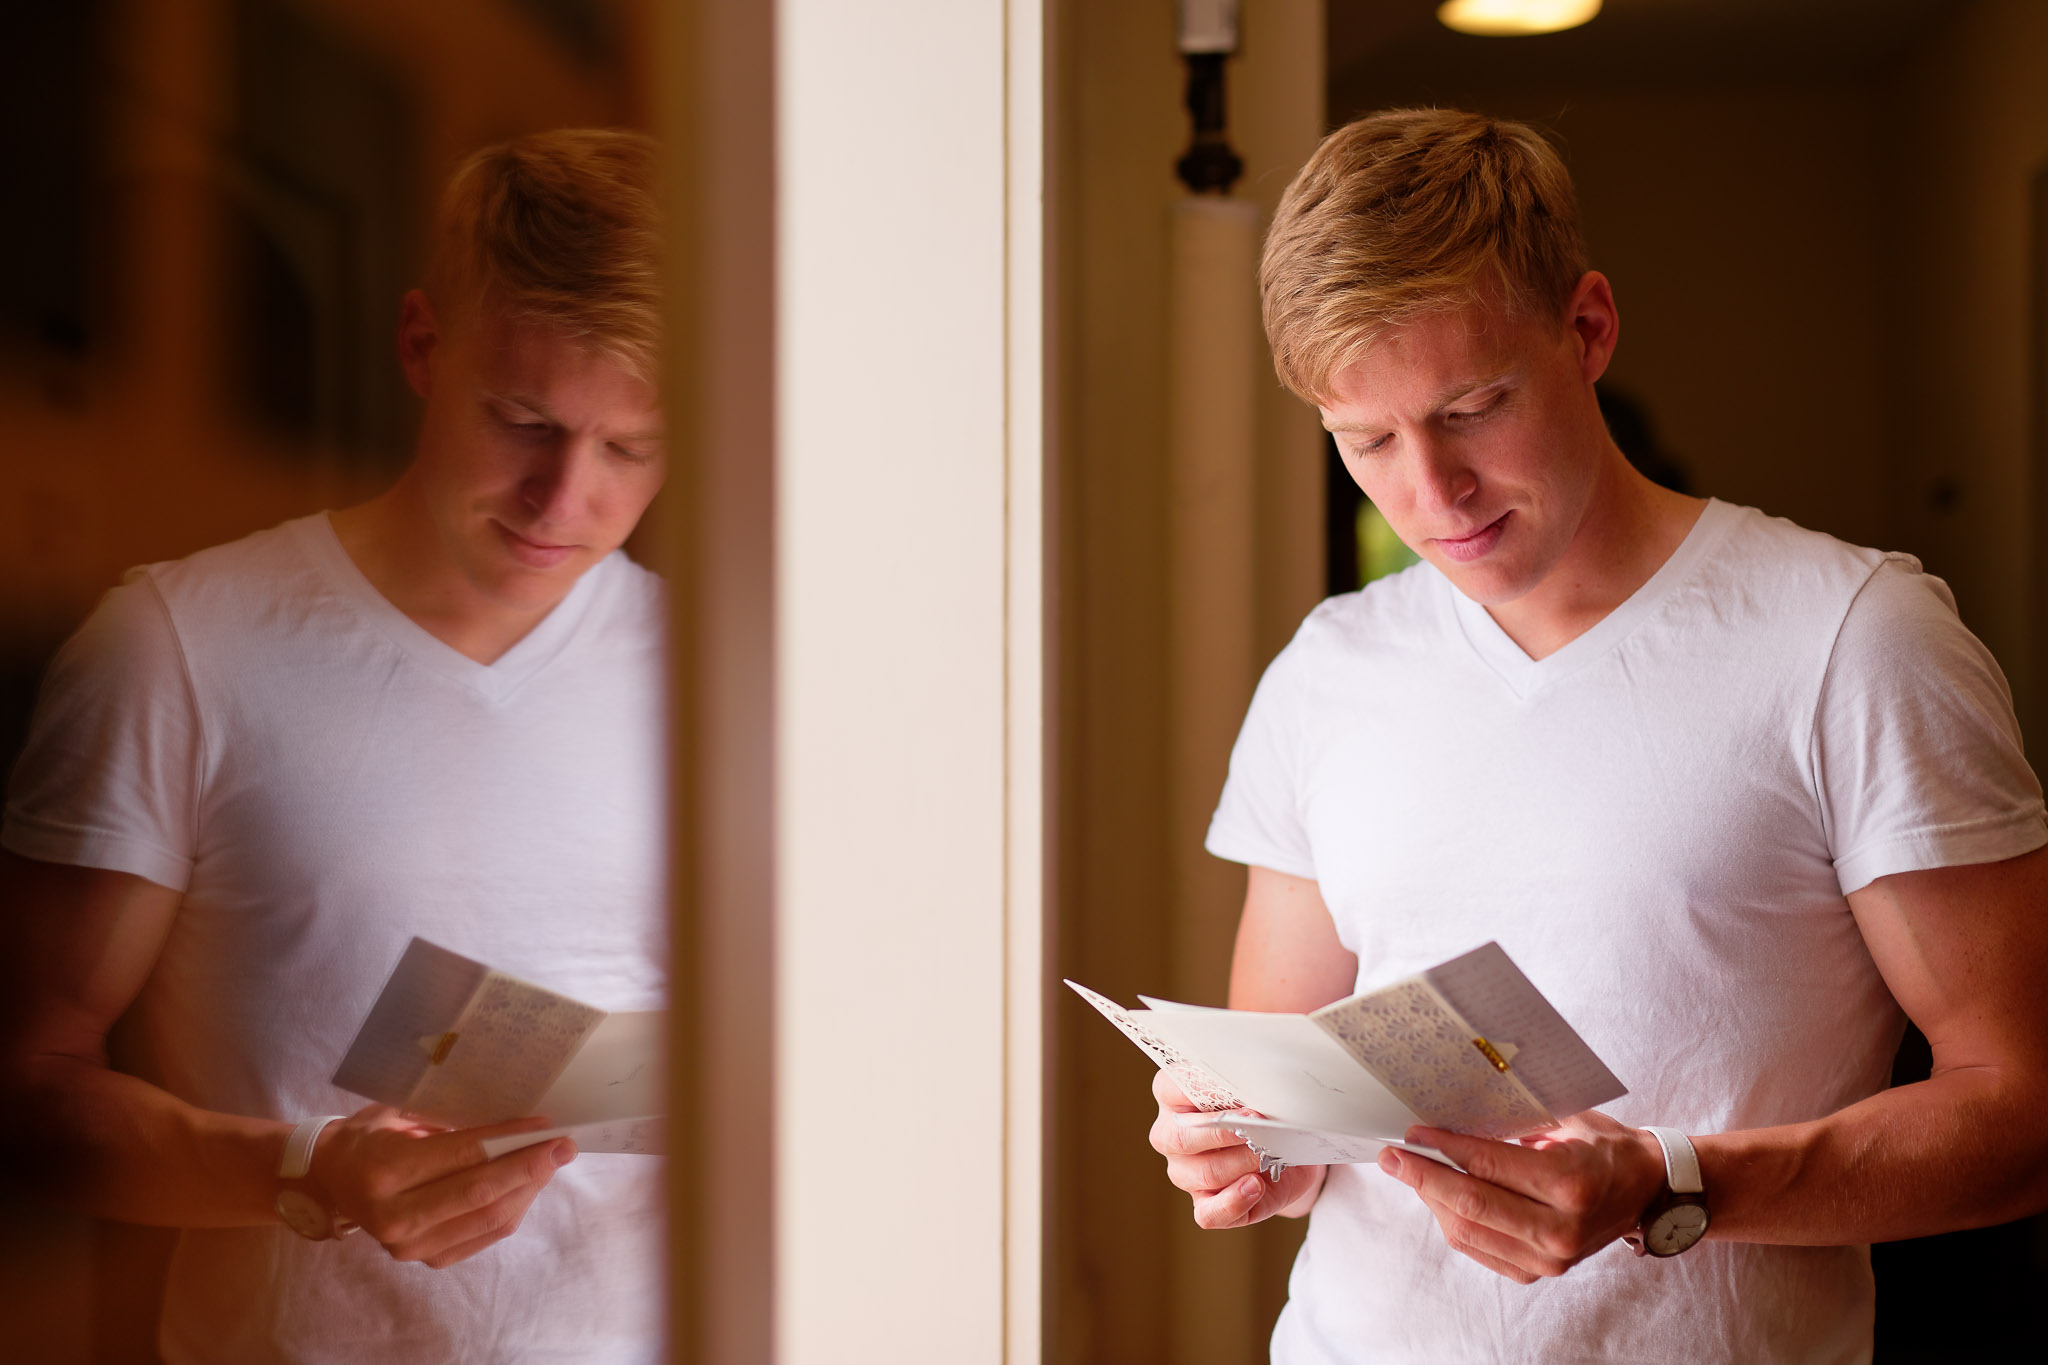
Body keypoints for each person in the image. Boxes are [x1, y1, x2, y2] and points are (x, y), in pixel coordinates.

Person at [1148, 107, 2048, 1363]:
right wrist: (1239, 1147)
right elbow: (1296, 1117)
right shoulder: (1327, 671)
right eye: (1365, 440)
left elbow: (2019, 1114)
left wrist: (1674, 1186)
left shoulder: (1849, 638)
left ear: (1586, 329)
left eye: (1470, 408)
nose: (1429, 492)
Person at [0, 128, 669, 1363]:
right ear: (421, 347)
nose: (562, 499)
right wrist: (301, 1172)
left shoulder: (728, 681)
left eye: (630, 447)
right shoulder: (180, 647)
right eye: (521, 420)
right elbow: (27, 1086)